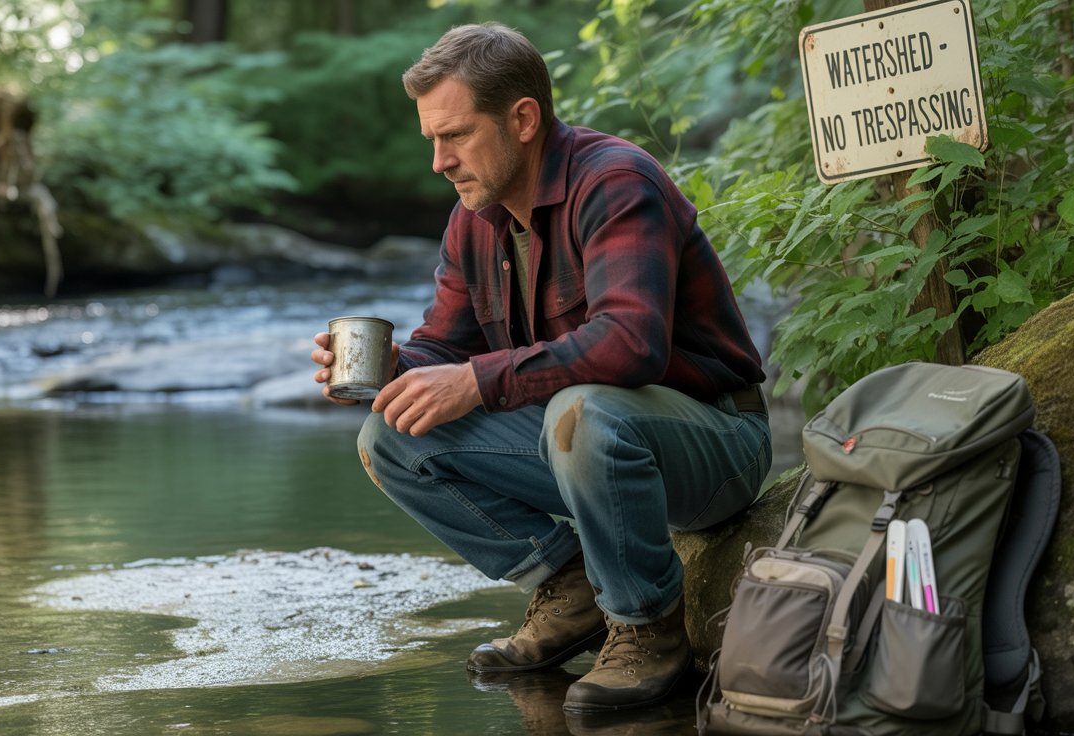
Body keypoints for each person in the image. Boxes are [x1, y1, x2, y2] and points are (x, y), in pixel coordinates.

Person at [311, 22, 772, 713]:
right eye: (431, 139)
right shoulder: (475, 218)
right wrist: (391, 370)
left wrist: (476, 382)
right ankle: (572, 585)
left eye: (456, 135)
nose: (438, 161)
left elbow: (630, 344)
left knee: (581, 410)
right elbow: (444, 349)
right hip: (597, 435)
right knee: (391, 435)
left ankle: (648, 628)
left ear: (523, 119)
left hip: (715, 440)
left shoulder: (614, 182)